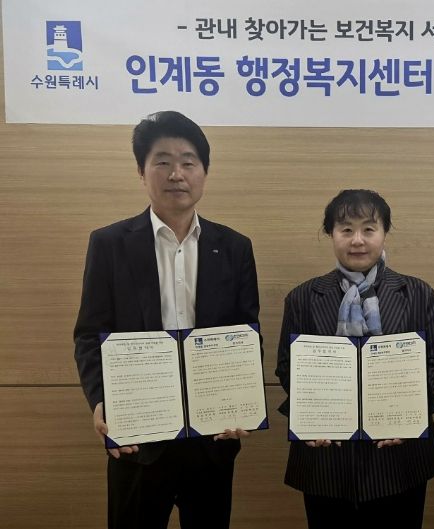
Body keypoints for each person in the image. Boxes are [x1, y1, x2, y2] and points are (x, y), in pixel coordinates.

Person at [73, 110, 260, 529]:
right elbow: (89, 334)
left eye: (188, 162)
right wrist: (101, 400)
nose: (177, 173)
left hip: (211, 438)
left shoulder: (234, 247)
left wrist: (241, 402)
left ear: (204, 172)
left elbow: (246, 333)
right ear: (142, 171)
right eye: (162, 161)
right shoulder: (109, 244)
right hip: (137, 435)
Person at [275, 189, 434, 529]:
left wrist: (408, 415)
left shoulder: (417, 292)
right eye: (346, 229)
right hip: (326, 459)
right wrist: (310, 419)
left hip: (400, 459)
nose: (357, 240)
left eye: (369, 229)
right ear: (331, 234)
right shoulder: (303, 297)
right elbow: (287, 366)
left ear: (384, 233)